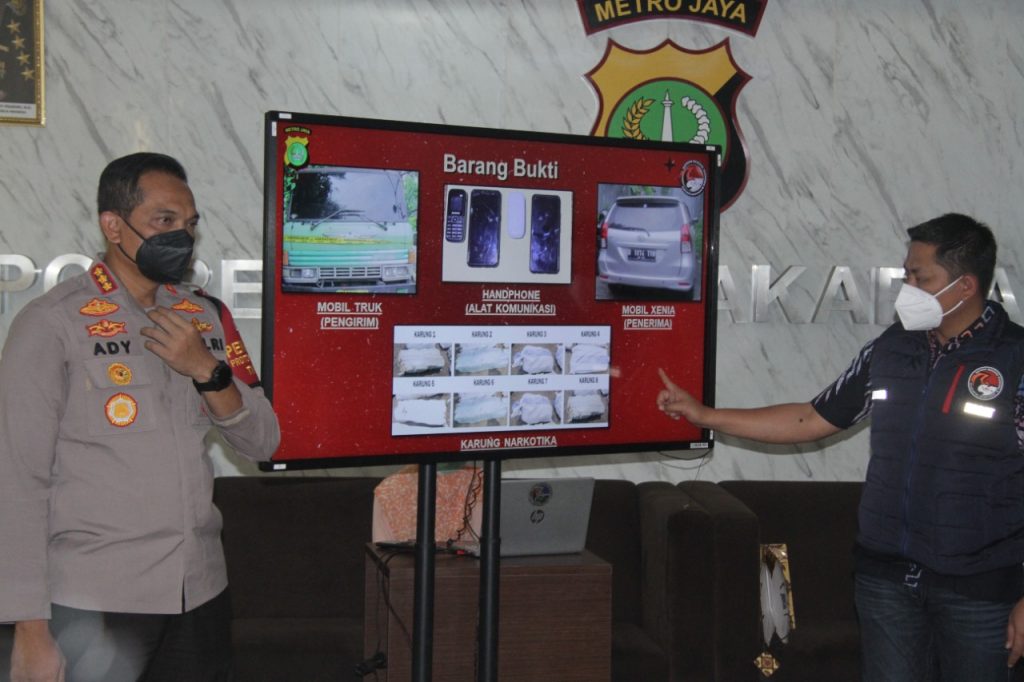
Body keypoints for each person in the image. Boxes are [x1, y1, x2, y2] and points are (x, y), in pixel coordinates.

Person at [658, 213, 1024, 681]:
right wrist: (706, 415)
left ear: (965, 286)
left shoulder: (1013, 359)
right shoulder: (891, 348)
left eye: (920, 277)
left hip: (981, 588)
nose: (907, 287)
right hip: (886, 579)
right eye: (906, 275)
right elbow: (811, 418)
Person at [0, 152, 281, 682]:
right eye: (164, 221)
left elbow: (264, 442)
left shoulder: (204, 317)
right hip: (94, 601)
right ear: (113, 226)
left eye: (190, 224)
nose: (182, 236)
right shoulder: (51, 323)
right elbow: (16, 479)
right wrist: (29, 629)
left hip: (200, 590)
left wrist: (207, 370)